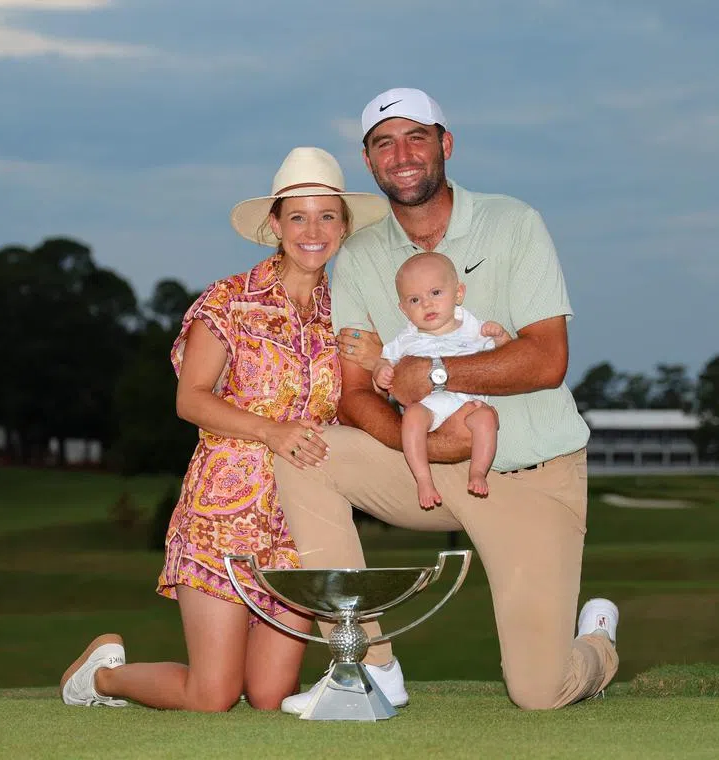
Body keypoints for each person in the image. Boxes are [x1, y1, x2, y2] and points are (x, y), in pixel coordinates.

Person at [276, 88, 620, 714]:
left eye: (416, 137)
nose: (401, 154)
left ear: (445, 145)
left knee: (539, 692)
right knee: (307, 452)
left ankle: (596, 640)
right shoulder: (358, 256)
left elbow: (547, 359)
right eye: (384, 143)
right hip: (424, 468)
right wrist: (428, 447)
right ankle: (369, 668)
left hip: (529, 474)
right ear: (369, 160)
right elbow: (355, 393)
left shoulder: (513, 223)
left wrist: (432, 372)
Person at [59, 146, 400, 712]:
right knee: (213, 695)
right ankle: (101, 678)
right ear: (275, 225)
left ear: (343, 227)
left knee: (269, 697)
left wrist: (385, 367)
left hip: (301, 526)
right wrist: (271, 430)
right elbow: (189, 399)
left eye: (326, 216)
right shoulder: (228, 300)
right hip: (222, 517)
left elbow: (351, 411)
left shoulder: (348, 314)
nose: (312, 230)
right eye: (297, 215)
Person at [373, 251, 509, 507]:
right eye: (415, 299)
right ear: (403, 309)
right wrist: (381, 371)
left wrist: (500, 336)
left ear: (458, 293)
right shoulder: (406, 339)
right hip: (430, 407)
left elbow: (504, 359)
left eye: (435, 293)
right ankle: (423, 479)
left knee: (486, 419)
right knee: (411, 417)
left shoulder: (473, 329)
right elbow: (384, 361)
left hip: (469, 403)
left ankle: (478, 471)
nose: (427, 304)